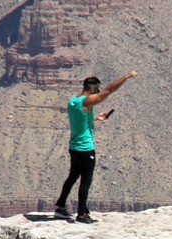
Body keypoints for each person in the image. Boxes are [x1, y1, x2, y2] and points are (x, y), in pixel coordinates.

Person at [55, 71, 136, 223]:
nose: (98, 94)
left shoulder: (73, 100)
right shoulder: (86, 101)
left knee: (72, 177)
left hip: (74, 147)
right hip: (86, 149)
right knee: (86, 181)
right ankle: (81, 214)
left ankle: (60, 206)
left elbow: (80, 119)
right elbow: (109, 90)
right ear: (92, 89)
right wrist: (126, 77)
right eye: (97, 91)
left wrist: (94, 118)